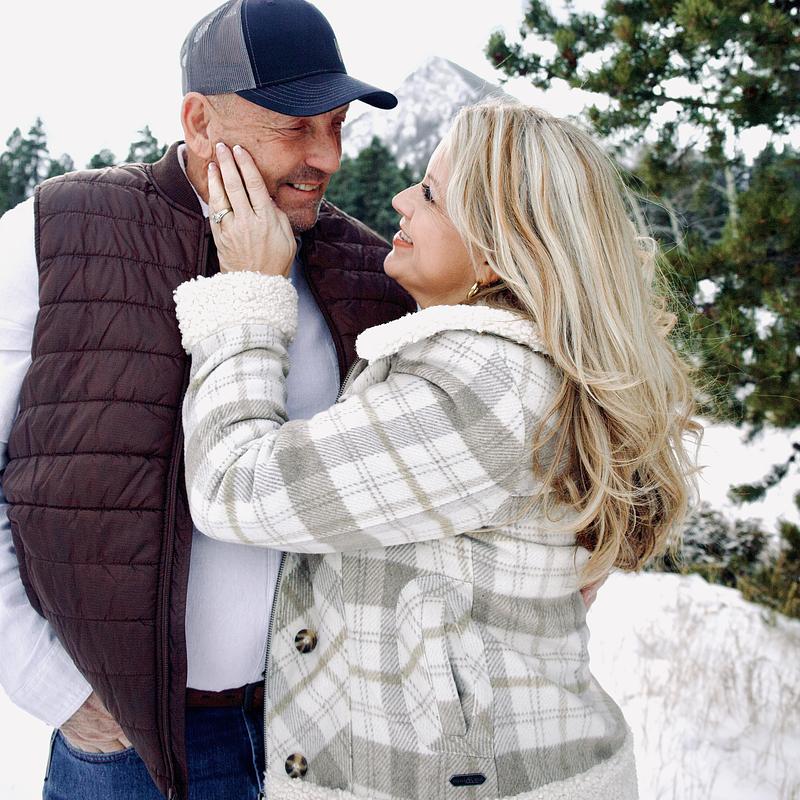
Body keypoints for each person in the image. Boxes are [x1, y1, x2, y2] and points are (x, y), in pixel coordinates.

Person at [173, 100, 702, 800]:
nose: (400, 199)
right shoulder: (516, 367)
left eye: (429, 192)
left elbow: (235, 489)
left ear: (498, 247)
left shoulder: (484, 384)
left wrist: (249, 294)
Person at [0, 1, 413, 798]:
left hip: (322, 742)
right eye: (294, 128)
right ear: (198, 120)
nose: (326, 157)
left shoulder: (366, 273)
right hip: (131, 748)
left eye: (337, 126)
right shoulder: (56, 231)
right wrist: (49, 685)